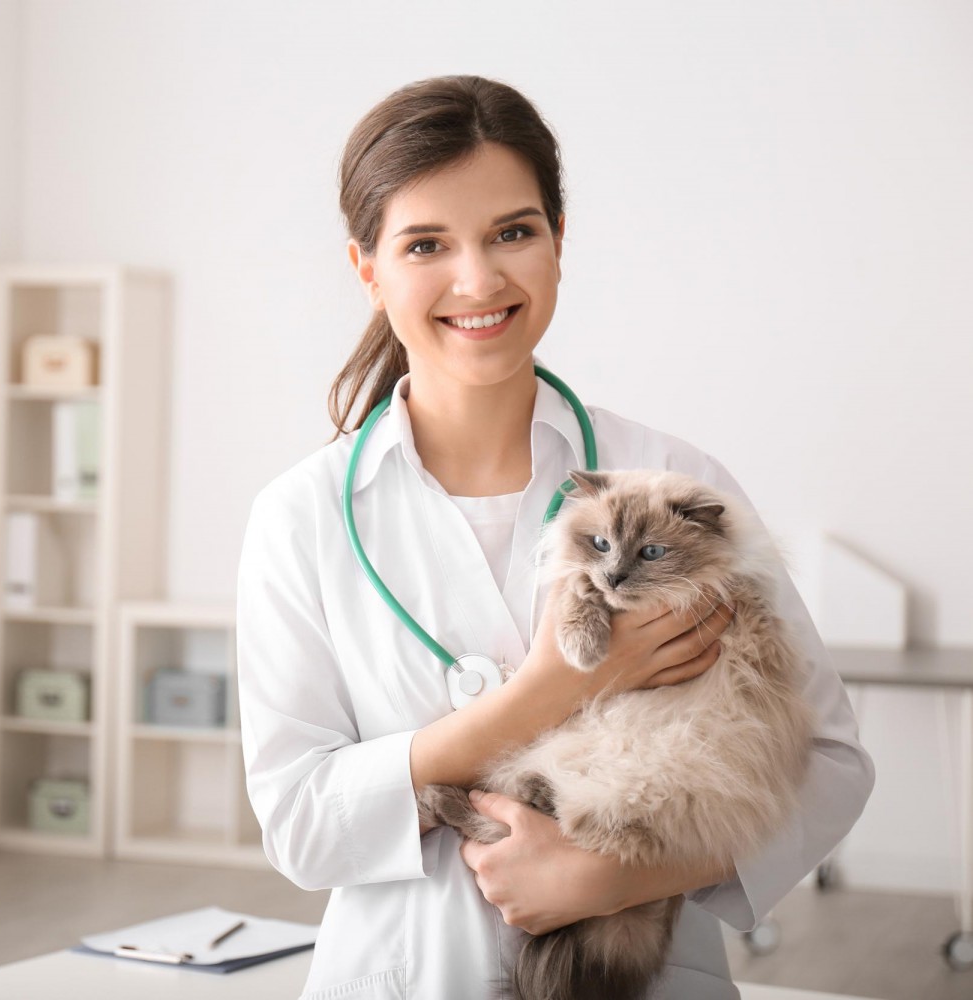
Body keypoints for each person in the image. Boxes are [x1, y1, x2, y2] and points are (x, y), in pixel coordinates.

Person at [234, 75, 874, 1000]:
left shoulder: (674, 481)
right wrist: (547, 693)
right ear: (367, 268)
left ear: (559, 243)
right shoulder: (300, 516)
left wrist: (620, 876)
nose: (479, 279)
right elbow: (299, 825)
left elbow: (832, 767)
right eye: (426, 244)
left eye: (513, 232)